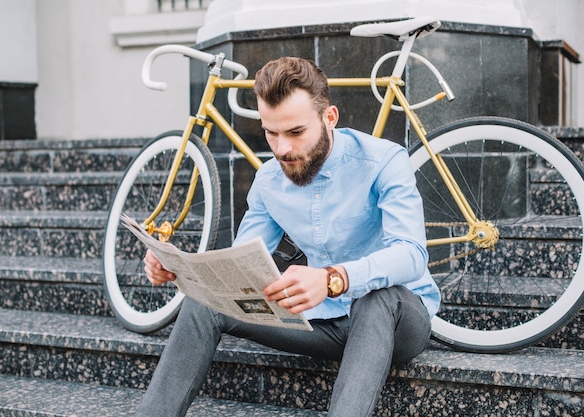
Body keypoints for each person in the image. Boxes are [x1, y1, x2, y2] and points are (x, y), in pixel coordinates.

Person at [135, 56, 440, 417]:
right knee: (204, 305)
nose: (281, 149)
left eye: (295, 132)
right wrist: (180, 270)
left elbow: (410, 254)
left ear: (330, 118)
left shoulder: (384, 161)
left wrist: (333, 279)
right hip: (320, 323)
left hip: (396, 322)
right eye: (271, 132)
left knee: (376, 298)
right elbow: (241, 267)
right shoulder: (268, 180)